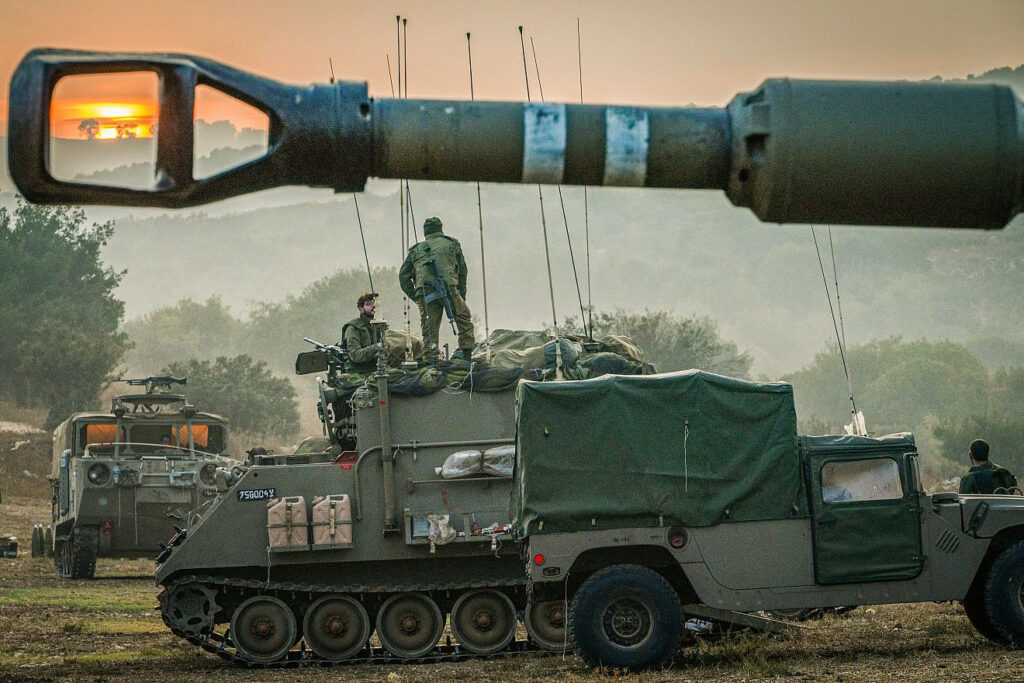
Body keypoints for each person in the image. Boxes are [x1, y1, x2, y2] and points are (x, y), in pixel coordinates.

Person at [398, 216, 475, 362]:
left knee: (429, 330)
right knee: (464, 321)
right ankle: (466, 357)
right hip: (450, 290)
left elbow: (403, 276)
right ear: (440, 230)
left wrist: (416, 296)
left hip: (426, 293)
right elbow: (463, 272)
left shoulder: (416, 250)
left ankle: (431, 362)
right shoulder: (452, 244)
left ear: (426, 232)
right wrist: (461, 295)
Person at [341, 292, 383, 373]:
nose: (373, 307)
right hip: (361, 372)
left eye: (374, 304)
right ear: (361, 309)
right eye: (369, 304)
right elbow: (355, 355)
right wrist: (377, 346)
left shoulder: (380, 325)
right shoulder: (353, 328)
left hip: (380, 369)